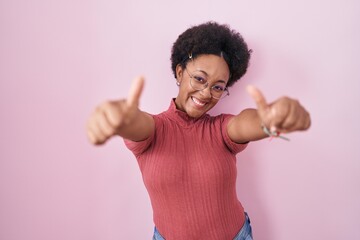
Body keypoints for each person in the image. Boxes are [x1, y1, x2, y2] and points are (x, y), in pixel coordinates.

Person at [86, 22, 311, 240]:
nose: (205, 93)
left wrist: (269, 118)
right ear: (180, 71)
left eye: (218, 87)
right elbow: (136, 123)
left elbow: (246, 123)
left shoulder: (221, 130)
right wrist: (120, 120)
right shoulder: (154, 129)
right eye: (199, 79)